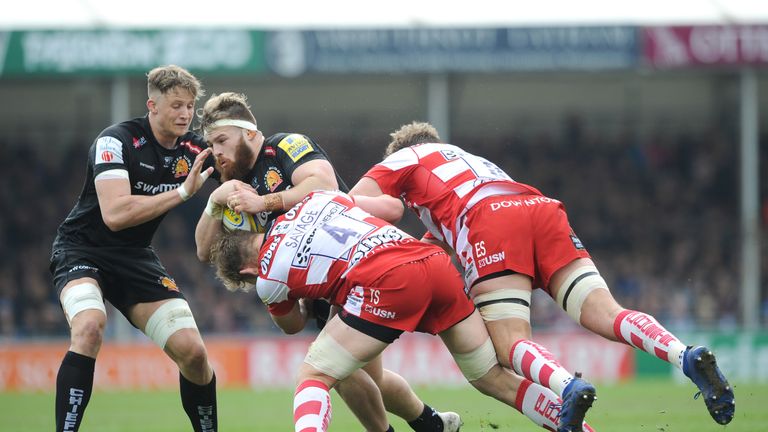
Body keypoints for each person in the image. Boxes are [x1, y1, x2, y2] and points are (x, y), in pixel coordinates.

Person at [349, 121, 736, 428]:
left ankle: (568, 386)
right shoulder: (465, 161)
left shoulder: (402, 160)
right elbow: (444, 239)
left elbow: (352, 206)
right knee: (607, 313)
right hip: (537, 205)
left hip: (490, 219)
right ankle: (686, 354)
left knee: (509, 345)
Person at [208, 189, 597, 432]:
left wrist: (306, 297)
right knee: (491, 375)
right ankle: (574, 425)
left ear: (245, 269)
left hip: (386, 283)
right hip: (431, 263)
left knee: (315, 373)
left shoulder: (267, 276)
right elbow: (389, 208)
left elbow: (293, 326)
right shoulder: (317, 199)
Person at [193, 92, 457, 432]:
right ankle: (430, 422)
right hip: (314, 279)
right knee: (366, 374)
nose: (216, 151)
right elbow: (204, 251)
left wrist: (263, 202)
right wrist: (214, 203)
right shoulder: (230, 182)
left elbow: (323, 183)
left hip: (350, 263)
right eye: (211, 143)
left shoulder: (285, 146)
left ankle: (417, 425)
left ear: (250, 134)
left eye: (221, 140)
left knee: (339, 369)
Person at [49, 65, 218, 432]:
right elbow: (115, 214)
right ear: (152, 106)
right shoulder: (116, 141)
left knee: (194, 353)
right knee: (91, 326)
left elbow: (243, 167)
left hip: (134, 256)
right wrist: (183, 193)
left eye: (190, 106)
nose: (185, 114)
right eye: (175, 105)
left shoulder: (195, 149)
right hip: (81, 250)